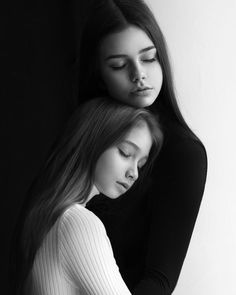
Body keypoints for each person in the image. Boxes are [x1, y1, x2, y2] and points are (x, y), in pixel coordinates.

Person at [76, 0, 208, 294]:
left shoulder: (182, 153)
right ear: (98, 73)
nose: (139, 75)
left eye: (149, 58)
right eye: (119, 65)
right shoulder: (83, 132)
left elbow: (159, 281)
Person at [15, 97, 163, 295]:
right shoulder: (78, 223)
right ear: (93, 140)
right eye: (126, 153)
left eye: (140, 164)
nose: (134, 173)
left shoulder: (46, 214)